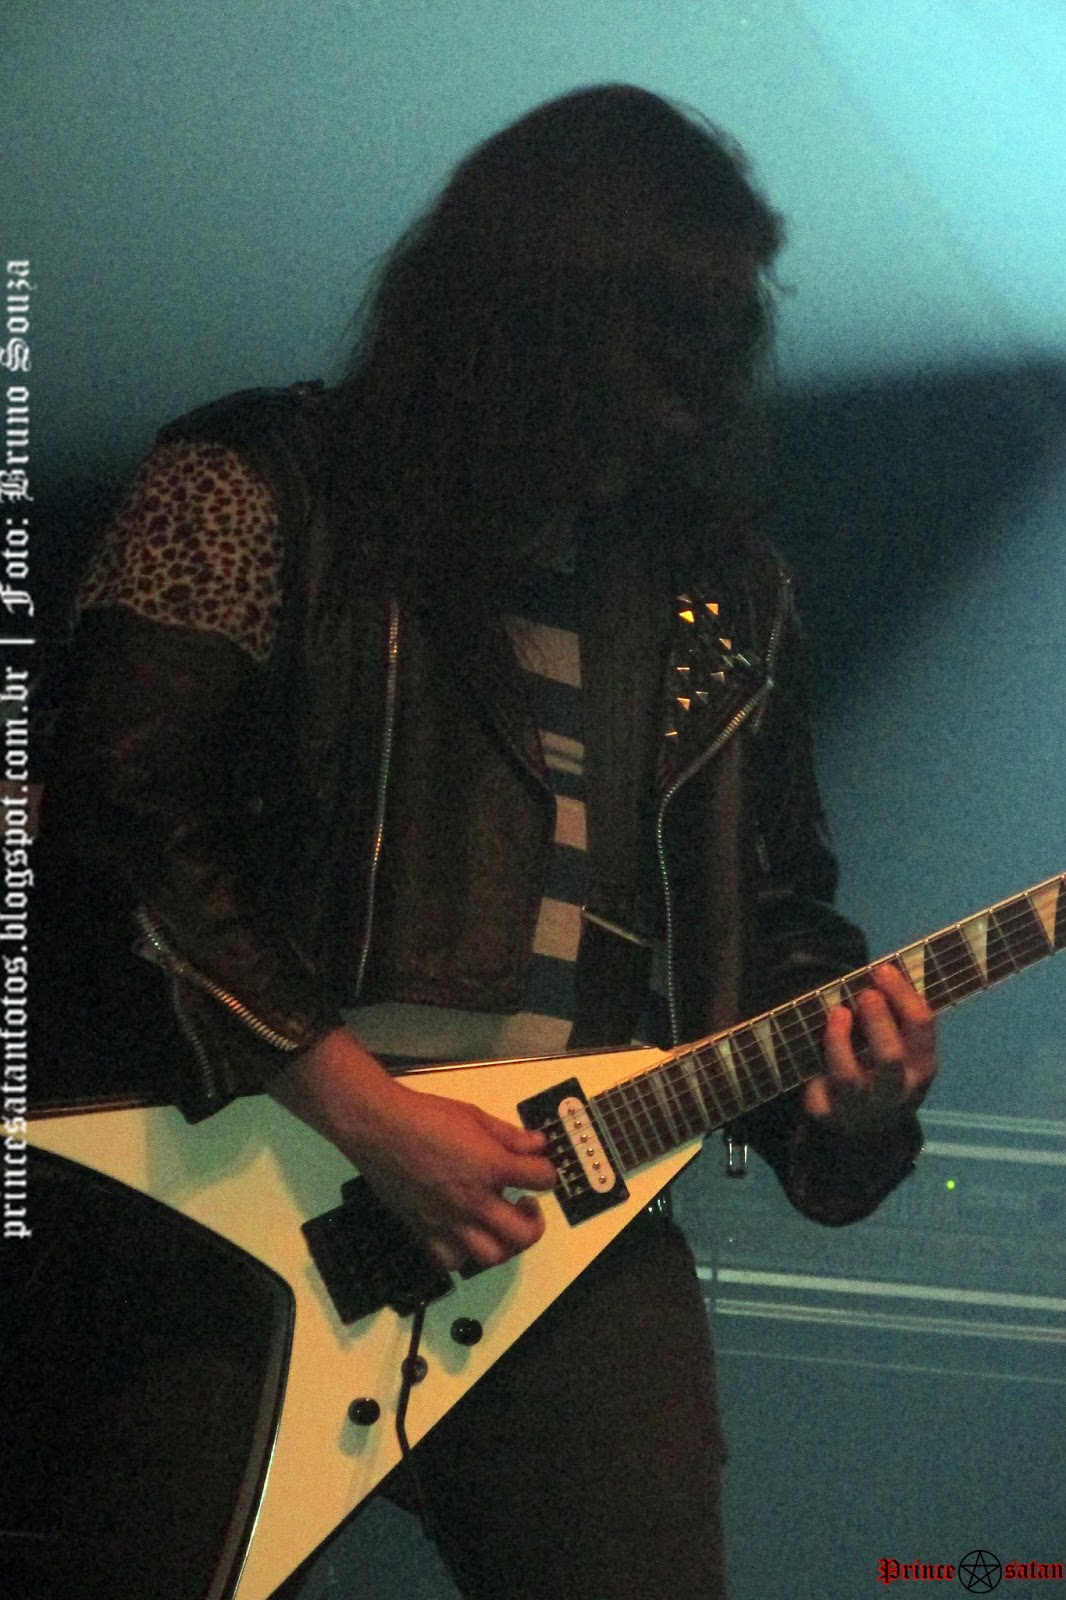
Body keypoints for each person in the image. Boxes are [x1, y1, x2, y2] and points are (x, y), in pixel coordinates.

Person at [42, 85, 936, 1600]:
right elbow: (115, 814)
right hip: (240, 1187)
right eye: (658, 340)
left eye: (716, 341)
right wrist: (368, 1116)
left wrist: (855, 1093)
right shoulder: (253, 481)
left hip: (574, 1216)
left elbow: (779, 913)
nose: (689, 392)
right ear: (537, 313)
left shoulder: (723, 594)